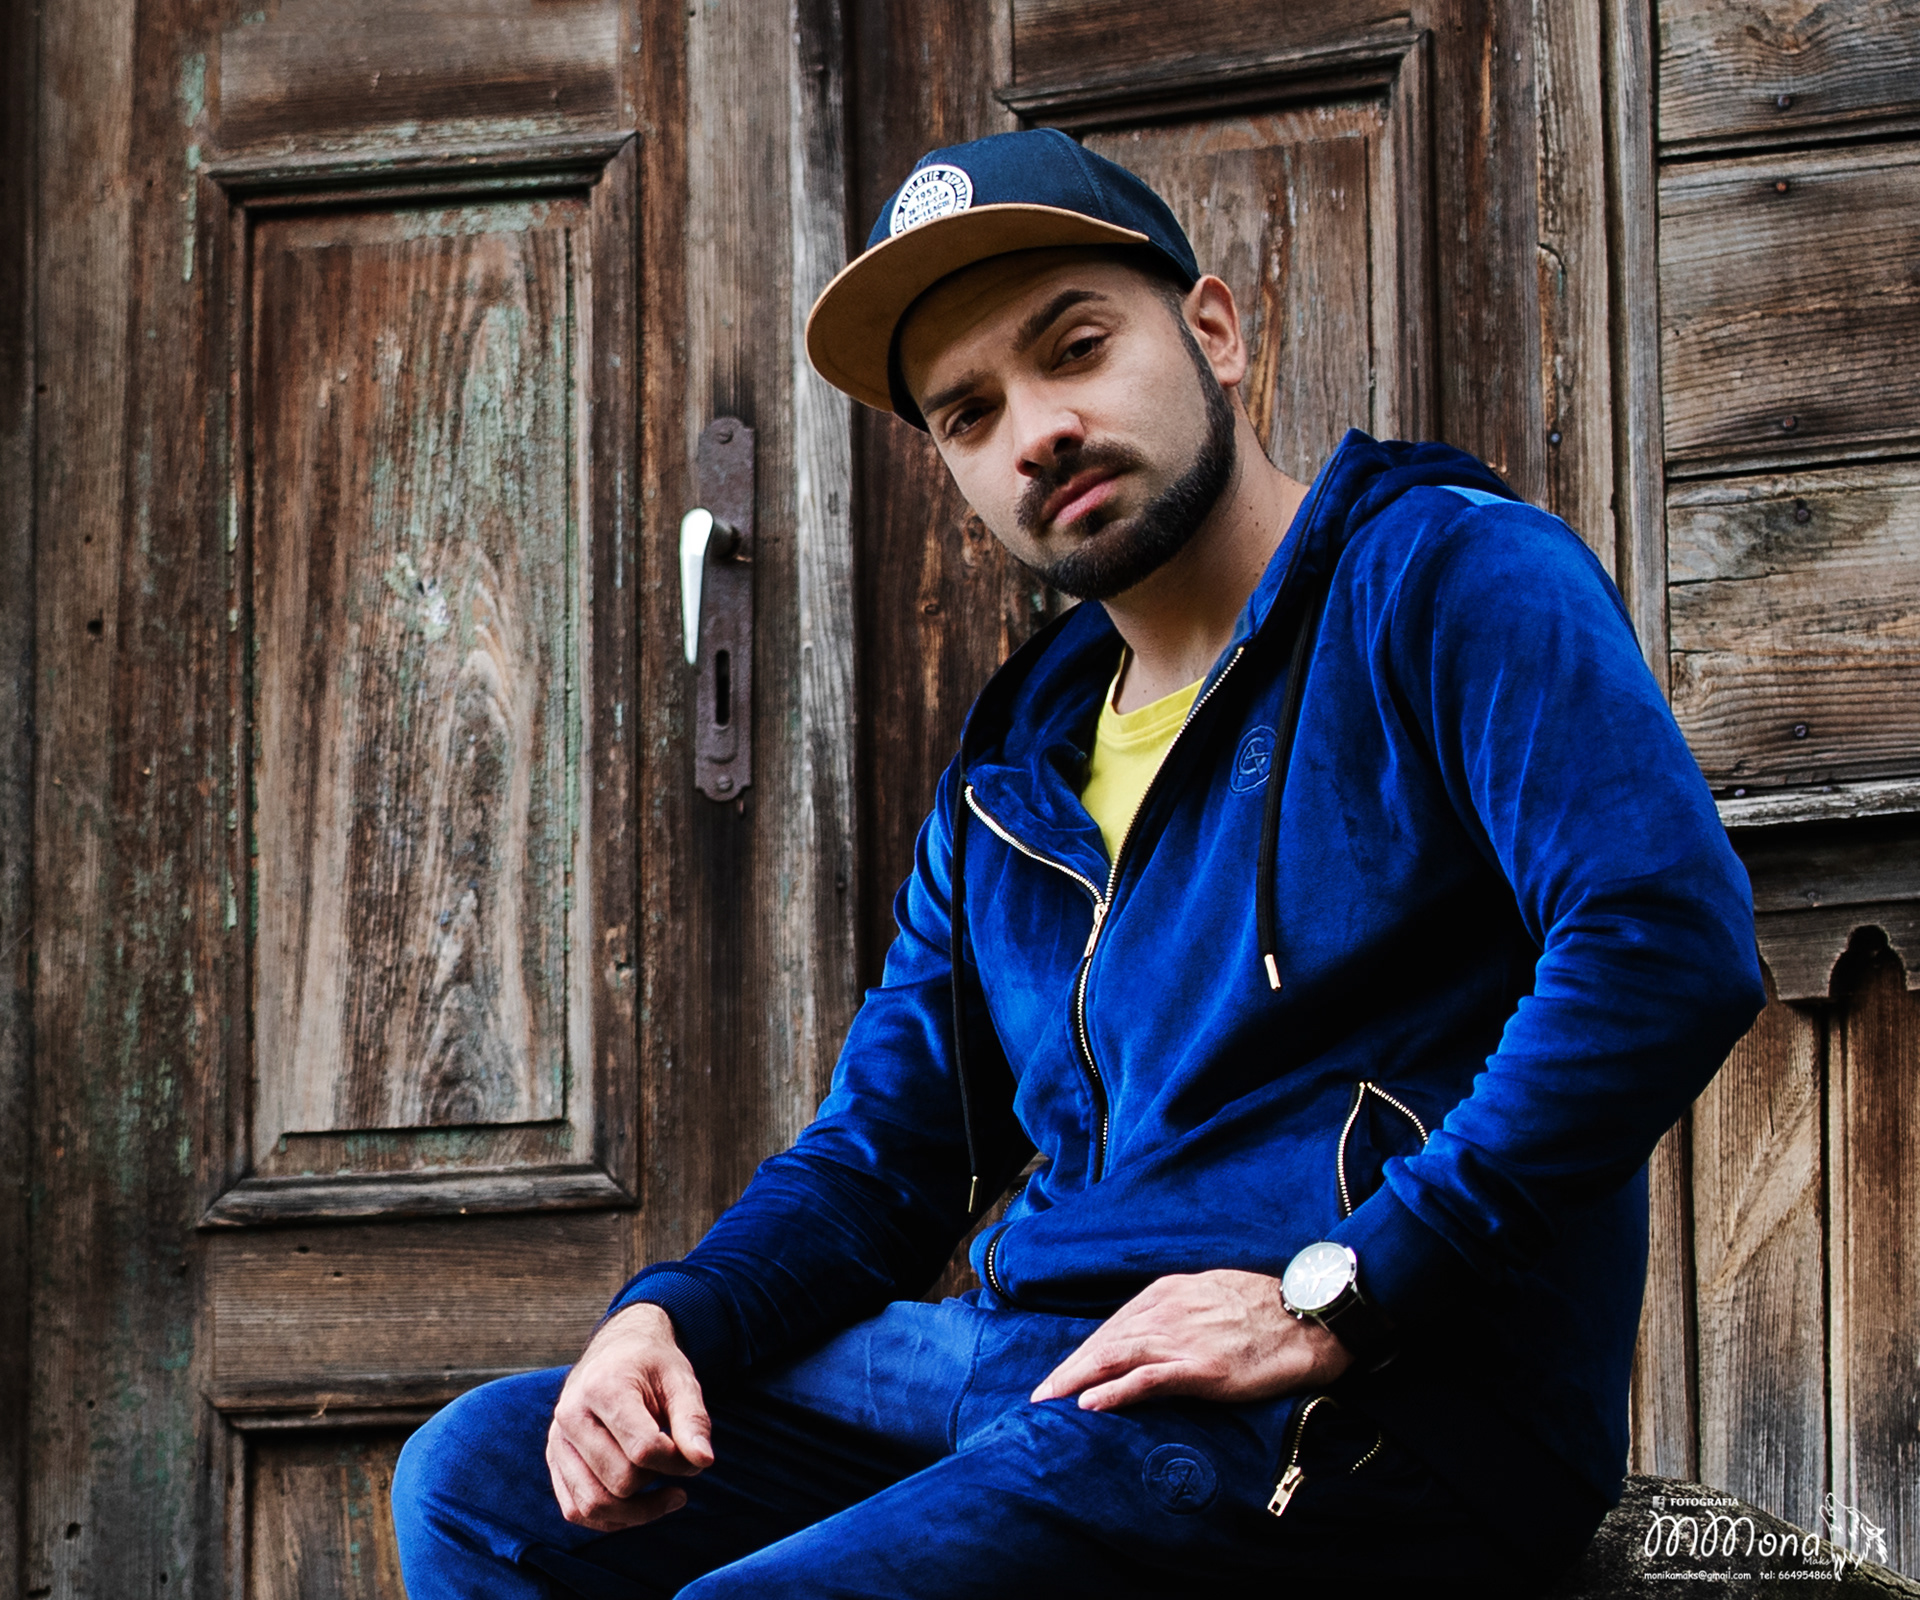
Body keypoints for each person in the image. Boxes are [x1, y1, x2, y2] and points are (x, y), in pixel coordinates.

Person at [392, 127, 1765, 1598]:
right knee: (479, 1478)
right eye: (970, 413)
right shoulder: (1015, 770)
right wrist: (671, 1317)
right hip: (1030, 1365)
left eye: (1076, 349)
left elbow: (1662, 944)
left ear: (1214, 331)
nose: (1037, 431)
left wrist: (1347, 1290)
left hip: (1361, 1402)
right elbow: (884, 1158)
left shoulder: (1442, 577)